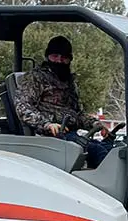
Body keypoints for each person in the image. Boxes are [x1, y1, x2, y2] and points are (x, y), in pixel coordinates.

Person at [17, 35, 114, 168]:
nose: (59, 61)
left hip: (70, 135)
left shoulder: (68, 81)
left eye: (64, 57)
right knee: (98, 152)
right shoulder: (36, 78)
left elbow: (77, 114)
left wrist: (96, 124)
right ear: (48, 56)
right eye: (55, 56)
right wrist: (47, 124)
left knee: (111, 150)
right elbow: (23, 106)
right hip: (48, 137)